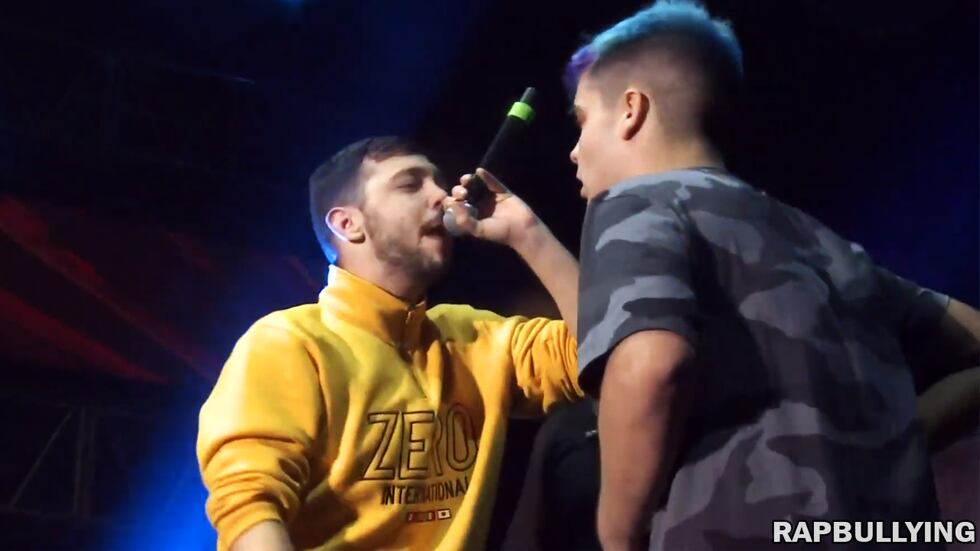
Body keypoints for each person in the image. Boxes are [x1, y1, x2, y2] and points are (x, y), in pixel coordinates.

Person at [564, 1, 980, 549]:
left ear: (631, 110)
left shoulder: (635, 204)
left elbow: (651, 365)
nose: (574, 152)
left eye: (582, 120)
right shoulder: (826, 244)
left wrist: (616, 534)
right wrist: (889, 448)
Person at [196, 136, 583, 550]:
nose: (442, 196)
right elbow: (249, 507)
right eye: (410, 184)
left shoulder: (475, 337)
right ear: (348, 224)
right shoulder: (288, 343)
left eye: (437, 182)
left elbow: (607, 351)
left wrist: (528, 234)